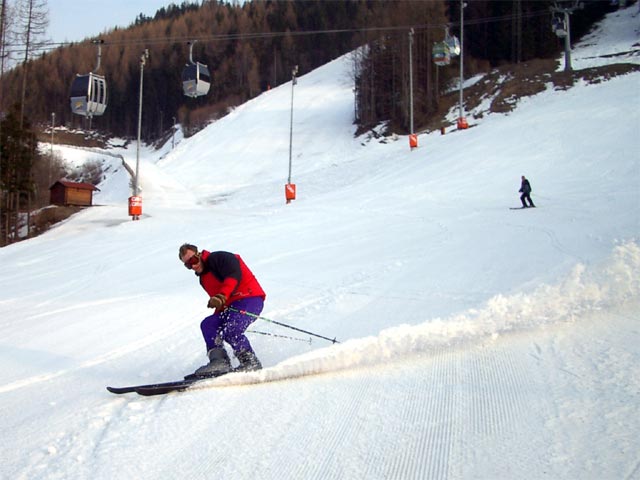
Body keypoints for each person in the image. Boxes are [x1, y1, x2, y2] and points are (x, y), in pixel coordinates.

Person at [179, 243, 266, 377]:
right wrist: (219, 304)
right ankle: (220, 362)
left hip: (249, 299)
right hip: (231, 307)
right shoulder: (204, 279)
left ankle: (250, 362)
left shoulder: (219, 258)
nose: (193, 266)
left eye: (193, 261)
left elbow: (233, 275)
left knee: (231, 329)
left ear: (199, 254)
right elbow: (221, 303)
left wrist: (221, 296)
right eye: (188, 265)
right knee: (208, 324)